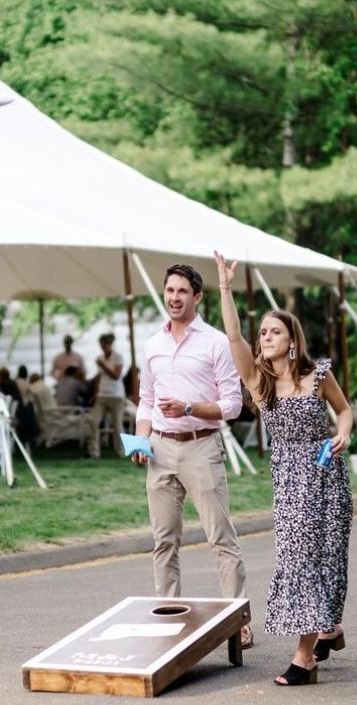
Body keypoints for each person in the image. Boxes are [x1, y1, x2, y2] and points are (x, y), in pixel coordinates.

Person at [215, 252, 351, 687]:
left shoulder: (317, 375)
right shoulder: (260, 383)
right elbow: (233, 335)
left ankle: (316, 641)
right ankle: (310, 649)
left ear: (292, 339)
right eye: (263, 332)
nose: (265, 336)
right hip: (290, 480)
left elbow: (345, 411)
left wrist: (342, 433)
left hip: (327, 474)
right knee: (297, 560)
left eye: (274, 331)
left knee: (326, 559)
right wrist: (224, 288)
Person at [133, 262, 251, 651]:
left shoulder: (215, 342)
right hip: (161, 449)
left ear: (197, 297)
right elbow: (146, 401)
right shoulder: (152, 345)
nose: (174, 298)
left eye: (182, 291)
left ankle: (239, 621)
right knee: (164, 540)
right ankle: (168, 616)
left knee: (221, 537)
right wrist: (140, 441)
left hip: (202, 445)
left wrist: (188, 408)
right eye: (169, 290)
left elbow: (232, 405)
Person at [87, 333, 125, 458]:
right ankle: (94, 452)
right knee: (93, 422)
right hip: (102, 396)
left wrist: (103, 365)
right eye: (101, 345)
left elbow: (116, 376)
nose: (103, 347)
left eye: (105, 345)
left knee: (117, 425)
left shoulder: (118, 357)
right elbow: (99, 378)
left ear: (110, 344)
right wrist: (95, 393)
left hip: (116, 396)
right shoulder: (100, 357)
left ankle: (121, 451)